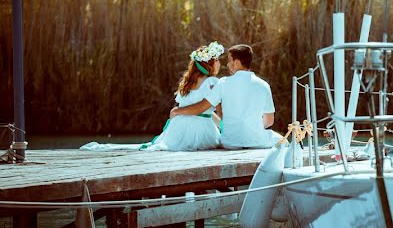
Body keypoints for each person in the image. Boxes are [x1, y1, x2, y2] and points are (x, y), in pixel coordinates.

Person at [80, 41, 224, 151]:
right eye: (216, 60)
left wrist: (222, 125)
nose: (219, 63)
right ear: (208, 64)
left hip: (180, 126)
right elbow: (200, 109)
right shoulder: (212, 82)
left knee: (163, 147)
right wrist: (177, 111)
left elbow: (205, 111)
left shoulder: (188, 83)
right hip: (198, 131)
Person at [170, 44, 279, 149]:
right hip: (257, 140)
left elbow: (201, 107)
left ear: (236, 63)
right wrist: (252, 127)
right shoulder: (264, 85)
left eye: (229, 60)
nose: (227, 64)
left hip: (230, 142)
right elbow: (269, 121)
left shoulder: (222, 83)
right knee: (283, 141)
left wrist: (177, 111)